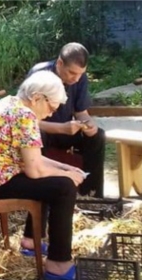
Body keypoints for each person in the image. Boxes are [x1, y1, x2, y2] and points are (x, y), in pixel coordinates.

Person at [0, 71, 86, 280]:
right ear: (37, 98)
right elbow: (35, 170)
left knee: (56, 181)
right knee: (64, 187)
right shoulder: (25, 115)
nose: (52, 114)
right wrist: (67, 175)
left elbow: (35, 160)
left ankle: (32, 241)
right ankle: (58, 264)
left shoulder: (10, 104)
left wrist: (64, 167)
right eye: (52, 107)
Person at [28, 42, 105, 198]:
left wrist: (89, 125)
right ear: (59, 63)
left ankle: (91, 193)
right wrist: (61, 128)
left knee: (98, 136)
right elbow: (27, 122)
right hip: (43, 130)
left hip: (66, 130)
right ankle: (39, 193)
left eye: (80, 74)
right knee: (38, 134)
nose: (76, 79)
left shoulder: (79, 78)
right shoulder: (39, 75)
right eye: (71, 73)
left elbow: (81, 112)